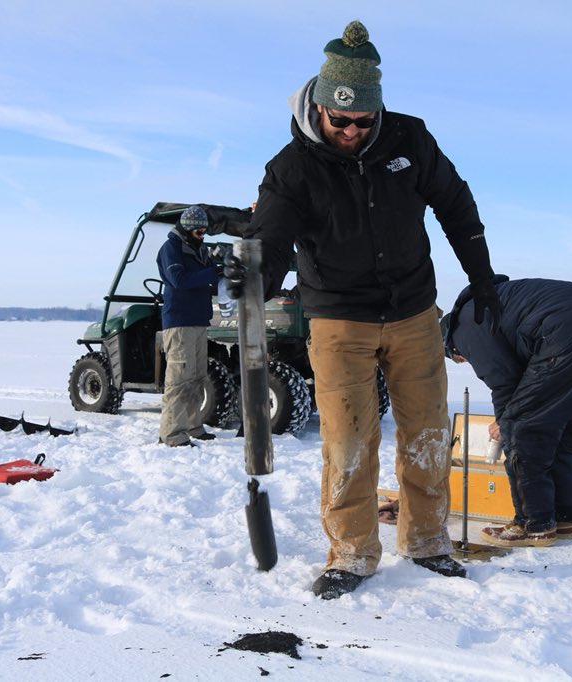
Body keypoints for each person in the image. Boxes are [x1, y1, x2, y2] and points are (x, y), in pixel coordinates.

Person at [225, 20, 502, 599]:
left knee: (426, 431)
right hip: (338, 318)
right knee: (349, 438)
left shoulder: (410, 139)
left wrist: (483, 280)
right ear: (320, 107)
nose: (352, 131)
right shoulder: (292, 168)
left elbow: (456, 204)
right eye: (341, 120)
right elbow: (272, 237)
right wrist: (254, 278)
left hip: (412, 312)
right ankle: (351, 551)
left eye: (364, 121)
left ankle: (427, 540)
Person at [441, 276, 572, 547]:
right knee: (568, 430)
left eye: (459, 358)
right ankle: (563, 516)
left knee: (522, 431)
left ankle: (533, 525)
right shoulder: (490, 303)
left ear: (451, 345)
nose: (465, 360)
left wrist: (504, 423)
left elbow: (505, 381)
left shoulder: (465, 326)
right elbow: (525, 380)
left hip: (570, 329)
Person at [156, 205, 220, 447]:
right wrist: (213, 273)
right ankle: (171, 434)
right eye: (199, 232)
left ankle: (194, 426)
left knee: (196, 377)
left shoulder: (198, 248)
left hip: (198, 321)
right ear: (187, 229)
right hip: (180, 322)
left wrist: (222, 273)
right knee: (179, 380)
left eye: (205, 231)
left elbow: (206, 278)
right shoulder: (171, 248)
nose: (202, 235)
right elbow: (179, 280)